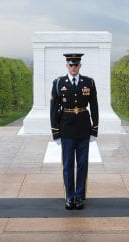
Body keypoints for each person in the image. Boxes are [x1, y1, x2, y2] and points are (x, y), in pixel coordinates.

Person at [50, 53, 99, 210]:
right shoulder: (58, 83)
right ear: (67, 66)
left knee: (83, 164)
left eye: (76, 65)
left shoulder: (89, 82)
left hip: (84, 128)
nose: (73, 67)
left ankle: (79, 197)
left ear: (80, 66)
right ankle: (69, 197)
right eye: (71, 65)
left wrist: (94, 128)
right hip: (67, 129)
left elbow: (94, 106)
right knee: (68, 165)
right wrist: (55, 132)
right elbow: (53, 109)